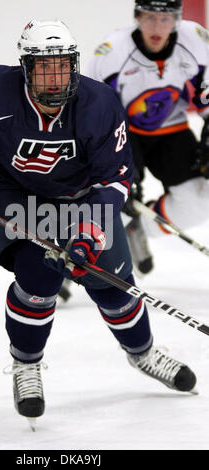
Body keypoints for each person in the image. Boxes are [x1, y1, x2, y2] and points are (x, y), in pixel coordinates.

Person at [0, 19, 196, 427]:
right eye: (44, 67)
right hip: (9, 190)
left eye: (63, 66)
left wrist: (88, 232)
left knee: (113, 287)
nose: (55, 78)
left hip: (82, 199)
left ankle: (142, 353)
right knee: (39, 275)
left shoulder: (99, 104)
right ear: (26, 67)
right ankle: (26, 364)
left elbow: (116, 179)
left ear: (74, 65)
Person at [87, 0, 209, 276]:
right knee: (106, 198)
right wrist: (110, 165)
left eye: (165, 19)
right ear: (137, 17)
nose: (157, 27)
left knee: (199, 201)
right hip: (121, 133)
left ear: (177, 20)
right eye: (150, 18)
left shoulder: (196, 40)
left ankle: (139, 227)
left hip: (171, 130)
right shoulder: (112, 51)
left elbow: (207, 95)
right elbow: (92, 114)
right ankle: (79, 254)